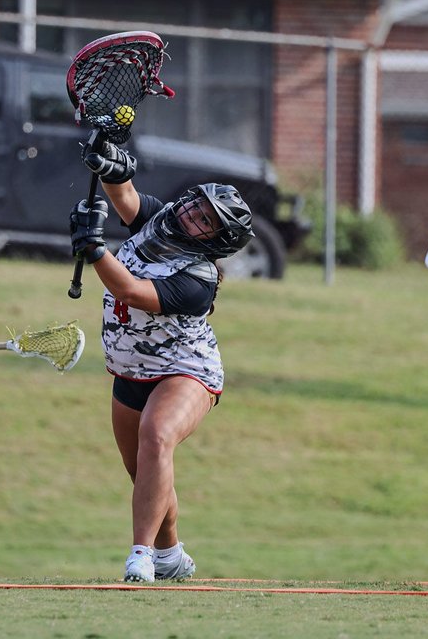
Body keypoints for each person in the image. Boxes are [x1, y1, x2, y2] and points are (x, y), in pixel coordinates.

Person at [71, 132, 254, 583]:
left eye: (205, 219)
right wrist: (111, 166)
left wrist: (94, 249)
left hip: (184, 369)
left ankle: (141, 556)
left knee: (157, 437)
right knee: (145, 472)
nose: (191, 212)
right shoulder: (166, 218)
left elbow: (130, 291)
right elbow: (127, 199)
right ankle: (171, 553)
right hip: (129, 369)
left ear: (215, 241)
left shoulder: (197, 278)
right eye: (197, 203)